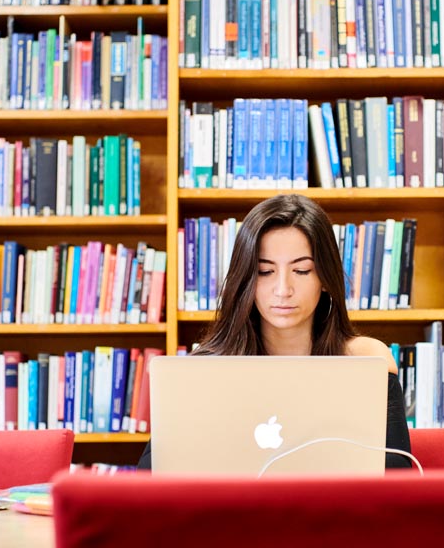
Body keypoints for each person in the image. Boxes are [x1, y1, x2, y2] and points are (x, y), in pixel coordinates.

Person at [137, 193, 412, 469]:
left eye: (302, 270)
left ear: (325, 278)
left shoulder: (365, 363)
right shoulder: (202, 373)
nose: (283, 290)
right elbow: (151, 473)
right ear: (246, 279)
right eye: (265, 271)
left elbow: (398, 475)